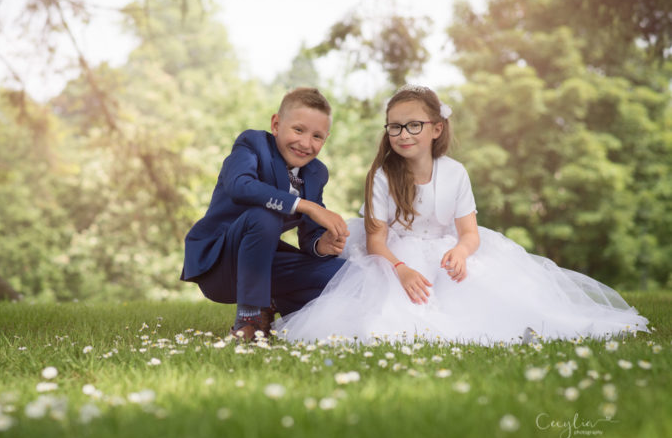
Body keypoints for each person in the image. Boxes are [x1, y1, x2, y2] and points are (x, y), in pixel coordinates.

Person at [275, 85, 649, 345]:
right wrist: (400, 268)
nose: (403, 134)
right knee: (386, 316)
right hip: (394, 256)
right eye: (395, 127)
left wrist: (461, 251)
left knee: (494, 304)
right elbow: (376, 241)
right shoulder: (383, 176)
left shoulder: (455, 173)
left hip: (446, 251)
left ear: (436, 129)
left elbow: (469, 234)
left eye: (414, 125)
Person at [181, 87, 349, 340]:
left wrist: (321, 245)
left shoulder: (316, 173)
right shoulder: (252, 145)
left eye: (317, 136)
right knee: (265, 216)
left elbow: (309, 235)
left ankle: (278, 308)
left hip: (264, 265)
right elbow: (241, 186)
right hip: (221, 264)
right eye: (298, 130)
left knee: (343, 273)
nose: (306, 143)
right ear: (276, 124)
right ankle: (249, 319)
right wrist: (307, 206)